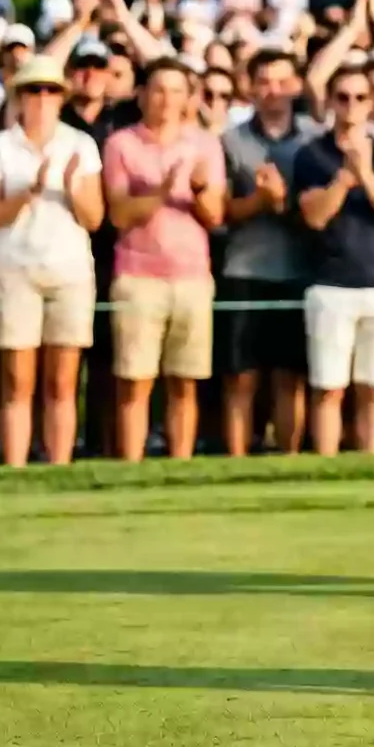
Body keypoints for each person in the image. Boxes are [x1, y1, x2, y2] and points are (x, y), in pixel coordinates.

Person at [0, 58, 104, 467]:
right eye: (34, 90)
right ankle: (16, 470)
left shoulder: (80, 145)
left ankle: (58, 468)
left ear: (62, 97)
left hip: (69, 271)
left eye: (51, 90)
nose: (43, 98)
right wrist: (28, 192)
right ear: (19, 97)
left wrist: (70, 187)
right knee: (16, 381)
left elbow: (95, 217)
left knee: (63, 382)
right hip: (15, 270)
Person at [101, 60, 226, 461]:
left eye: (176, 91)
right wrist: (162, 191)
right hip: (138, 277)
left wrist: (201, 188)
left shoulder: (205, 145)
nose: (167, 100)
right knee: (134, 383)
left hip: (192, 276)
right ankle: (132, 466)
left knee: (185, 382)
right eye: (158, 90)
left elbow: (214, 216)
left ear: (188, 98)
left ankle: (180, 465)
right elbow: (119, 214)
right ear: (141, 95)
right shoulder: (122, 144)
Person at [292, 67, 374, 457]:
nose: (351, 106)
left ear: (372, 103)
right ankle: (327, 463)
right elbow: (314, 216)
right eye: (342, 97)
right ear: (329, 102)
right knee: (329, 387)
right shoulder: (310, 154)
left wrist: (365, 173)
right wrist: (344, 178)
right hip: (330, 283)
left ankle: (369, 466)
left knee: (373, 388)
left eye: (360, 98)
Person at [218, 51, 318, 456]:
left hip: (300, 269)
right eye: (264, 82)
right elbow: (221, 211)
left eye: (282, 82)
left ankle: (288, 460)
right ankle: (237, 463)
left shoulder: (315, 136)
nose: (273, 91)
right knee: (240, 377)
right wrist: (260, 200)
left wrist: (284, 204)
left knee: (290, 376)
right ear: (250, 87)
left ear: (297, 85)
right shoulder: (231, 139)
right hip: (245, 269)